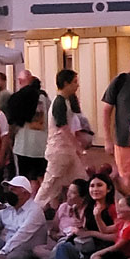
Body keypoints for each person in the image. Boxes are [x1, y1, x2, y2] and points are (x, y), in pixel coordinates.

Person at [44, 172, 117, 259]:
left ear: (108, 188)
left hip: (105, 251)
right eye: (92, 186)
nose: (95, 189)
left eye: (99, 185)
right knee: (63, 247)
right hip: (87, 247)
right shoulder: (89, 208)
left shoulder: (112, 209)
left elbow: (116, 236)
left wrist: (91, 232)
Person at [36, 69, 88, 209]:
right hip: (59, 151)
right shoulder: (59, 102)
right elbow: (63, 128)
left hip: (66, 151)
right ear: (66, 83)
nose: (77, 85)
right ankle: (33, 211)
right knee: (49, 185)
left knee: (80, 180)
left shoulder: (64, 102)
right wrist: (79, 147)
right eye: (74, 82)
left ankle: (79, 211)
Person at [101, 47, 130, 182]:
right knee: (128, 178)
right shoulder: (120, 81)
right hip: (124, 141)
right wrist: (107, 139)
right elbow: (106, 111)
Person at [34, 179, 87, 259]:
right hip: (60, 241)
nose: (68, 195)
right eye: (68, 191)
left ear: (82, 198)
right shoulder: (63, 207)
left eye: (73, 193)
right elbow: (53, 230)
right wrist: (55, 235)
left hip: (74, 244)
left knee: (62, 248)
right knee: (37, 249)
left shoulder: (84, 212)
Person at [8, 72, 49, 182]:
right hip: (42, 145)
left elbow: (12, 121)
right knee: (41, 178)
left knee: (23, 179)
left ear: (20, 81)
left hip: (23, 145)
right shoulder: (44, 98)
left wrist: (10, 139)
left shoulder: (17, 97)